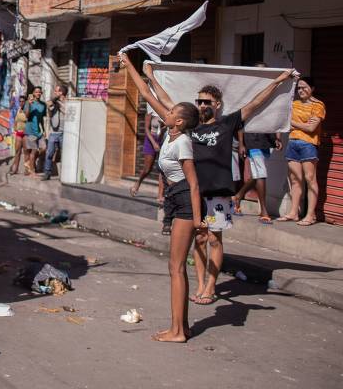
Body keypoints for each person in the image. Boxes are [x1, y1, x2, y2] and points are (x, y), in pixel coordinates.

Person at [144, 63, 295, 306]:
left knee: (215, 239)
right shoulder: (190, 125)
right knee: (199, 240)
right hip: (193, 193)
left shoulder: (227, 123)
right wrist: (151, 77)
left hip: (218, 193)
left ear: (218, 104)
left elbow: (256, 103)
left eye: (207, 102)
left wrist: (278, 80)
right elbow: (165, 100)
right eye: (200, 101)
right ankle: (202, 283)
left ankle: (211, 286)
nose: (203, 105)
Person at [120, 53, 202, 343]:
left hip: (184, 201)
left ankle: (177, 331)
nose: (163, 113)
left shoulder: (183, 144)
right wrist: (129, 62)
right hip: (176, 199)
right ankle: (183, 327)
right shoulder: (171, 132)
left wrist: (199, 220)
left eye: (169, 112)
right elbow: (146, 92)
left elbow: (193, 185)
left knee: (176, 268)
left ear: (178, 121)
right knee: (176, 267)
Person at [281, 78, 325, 226]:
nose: (300, 90)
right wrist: (302, 125)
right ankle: (294, 212)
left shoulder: (318, 105)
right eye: (298, 88)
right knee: (295, 179)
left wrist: (293, 123)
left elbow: (311, 129)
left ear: (312, 88)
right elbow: (286, 124)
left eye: (304, 87)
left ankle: (310, 214)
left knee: (310, 179)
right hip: (292, 142)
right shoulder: (294, 104)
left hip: (308, 144)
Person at [233, 131, 282, 223]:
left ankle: (238, 196)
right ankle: (264, 211)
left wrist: (277, 138)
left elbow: (276, 121)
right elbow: (241, 124)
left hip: (268, 142)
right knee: (261, 173)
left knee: (258, 175)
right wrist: (241, 144)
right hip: (253, 141)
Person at [131, 108, 164, 196]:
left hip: (162, 140)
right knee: (147, 169)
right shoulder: (150, 112)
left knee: (163, 169)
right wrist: (154, 143)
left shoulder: (165, 111)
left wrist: (164, 128)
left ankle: (160, 195)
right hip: (151, 141)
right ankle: (138, 183)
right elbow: (146, 129)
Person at [42, 84, 67, 181]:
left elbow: (66, 111)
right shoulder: (53, 102)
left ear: (62, 92)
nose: (54, 92)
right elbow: (48, 103)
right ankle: (47, 173)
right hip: (54, 132)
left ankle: (64, 174)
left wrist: (60, 102)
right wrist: (55, 99)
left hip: (64, 132)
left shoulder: (68, 102)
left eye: (56, 91)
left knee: (64, 154)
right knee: (49, 153)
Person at [23, 86, 46, 175]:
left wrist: (44, 130)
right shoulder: (28, 103)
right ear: (33, 93)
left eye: (39, 92)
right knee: (34, 150)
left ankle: (30, 163)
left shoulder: (43, 105)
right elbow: (27, 116)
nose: (38, 93)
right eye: (36, 92)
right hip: (30, 131)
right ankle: (32, 171)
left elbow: (42, 118)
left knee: (44, 148)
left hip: (39, 131)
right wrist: (29, 103)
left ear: (41, 93)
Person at [8, 95, 28, 175]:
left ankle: (27, 169)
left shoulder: (27, 110)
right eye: (20, 101)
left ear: (25, 102)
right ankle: (15, 169)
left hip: (26, 134)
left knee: (26, 152)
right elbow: (14, 119)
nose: (21, 103)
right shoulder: (17, 109)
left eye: (23, 101)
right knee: (17, 152)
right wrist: (14, 129)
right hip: (18, 134)